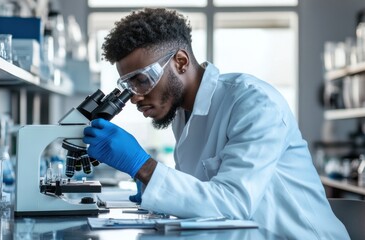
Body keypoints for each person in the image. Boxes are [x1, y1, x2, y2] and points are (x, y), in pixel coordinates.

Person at [83, 8, 349, 239]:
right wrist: (159, 194)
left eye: (142, 79)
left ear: (180, 62)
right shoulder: (182, 115)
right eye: (128, 85)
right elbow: (204, 199)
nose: (135, 97)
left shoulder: (254, 103)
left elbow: (233, 204)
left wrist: (144, 167)